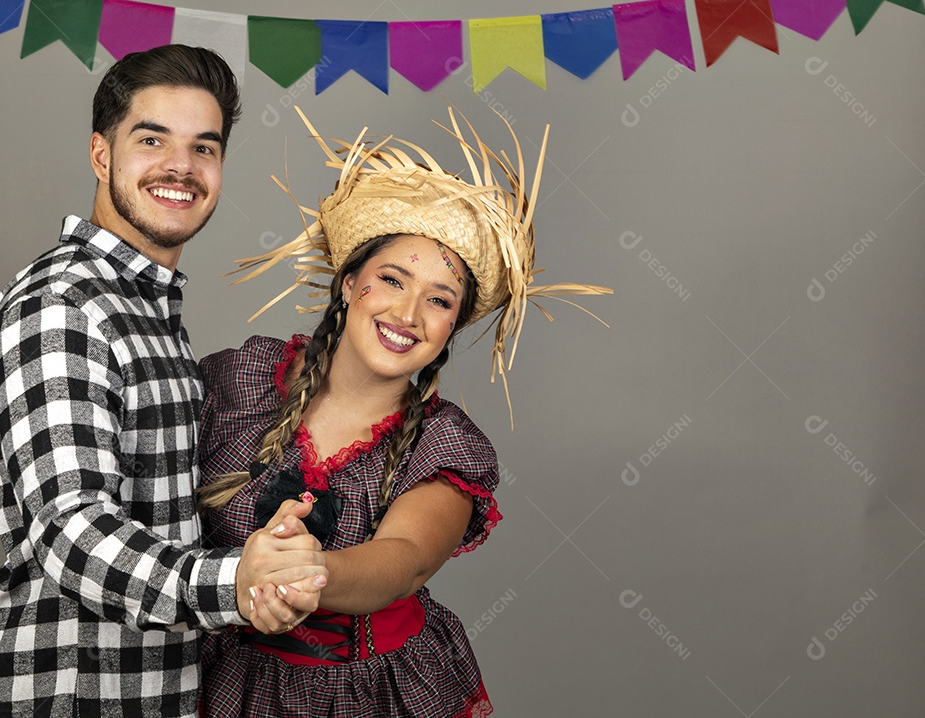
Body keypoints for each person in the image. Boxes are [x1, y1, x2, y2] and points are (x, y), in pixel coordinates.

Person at [194, 108, 612, 716]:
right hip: (225, 681)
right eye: (391, 279)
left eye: (439, 300)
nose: (408, 314)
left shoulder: (446, 446)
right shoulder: (243, 380)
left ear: (452, 326)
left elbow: (405, 562)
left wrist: (303, 573)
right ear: (348, 282)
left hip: (375, 692)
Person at [0, 45, 326, 717]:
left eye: (204, 148)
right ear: (101, 154)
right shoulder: (62, 308)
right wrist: (237, 579)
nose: (181, 168)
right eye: (152, 139)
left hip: (154, 688)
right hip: (72, 694)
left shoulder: (143, 308)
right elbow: (71, 530)